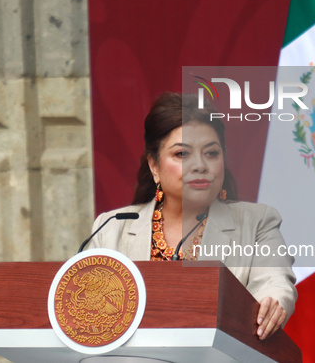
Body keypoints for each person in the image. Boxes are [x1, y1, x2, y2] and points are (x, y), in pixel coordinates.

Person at [88, 92, 297, 340]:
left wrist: (269, 303)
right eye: (182, 154)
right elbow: (85, 306)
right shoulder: (110, 228)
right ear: (154, 166)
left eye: (211, 153)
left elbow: (274, 283)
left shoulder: (258, 222)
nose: (200, 165)